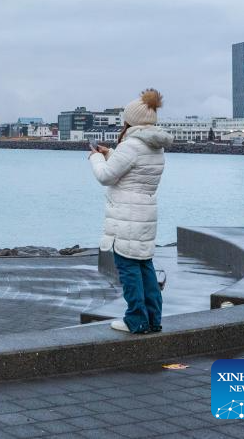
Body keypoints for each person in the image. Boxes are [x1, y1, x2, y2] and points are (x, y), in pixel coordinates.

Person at [88, 88, 174, 334]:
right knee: (145, 267)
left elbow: (106, 176)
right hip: (145, 214)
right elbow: (134, 171)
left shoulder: (131, 146)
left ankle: (135, 319)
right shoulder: (155, 146)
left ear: (131, 121)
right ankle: (153, 319)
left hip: (126, 217)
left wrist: (96, 158)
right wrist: (111, 153)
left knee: (128, 270)